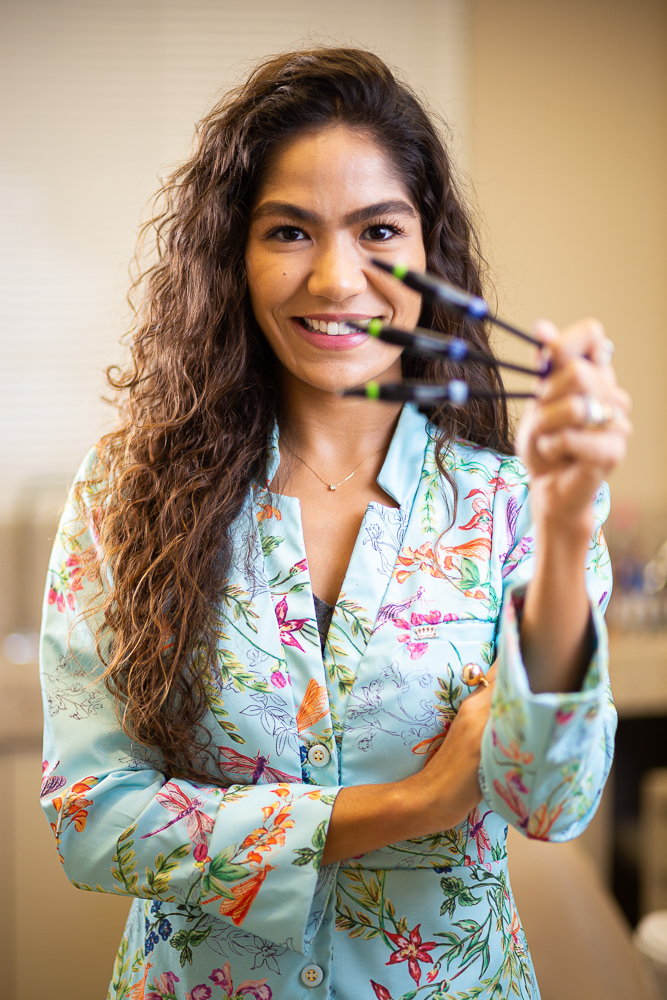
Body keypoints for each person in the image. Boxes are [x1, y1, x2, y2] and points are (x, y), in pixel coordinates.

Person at [39, 48, 631, 1000]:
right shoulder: (123, 494)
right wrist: (409, 804)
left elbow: (550, 802)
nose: (334, 277)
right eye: (288, 232)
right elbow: (94, 821)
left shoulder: (512, 505)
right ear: (234, 251)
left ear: (428, 250)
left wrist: (562, 531)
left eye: (377, 229)